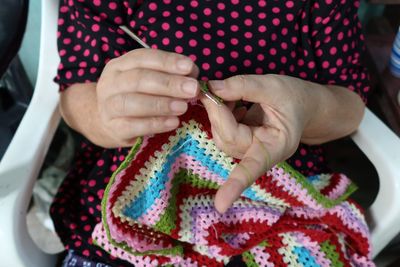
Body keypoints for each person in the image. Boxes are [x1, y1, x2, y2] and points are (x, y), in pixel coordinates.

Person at [50, 0, 370, 266]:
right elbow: (75, 91)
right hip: (137, 191)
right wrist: (106, 117)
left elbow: (350, 100)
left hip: (282, 192)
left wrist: (306, 107)